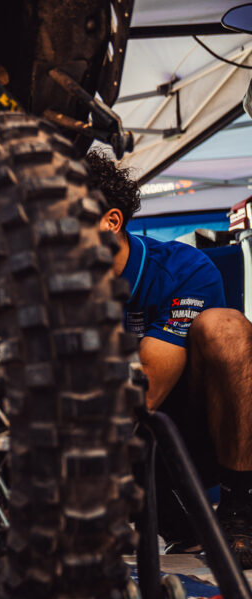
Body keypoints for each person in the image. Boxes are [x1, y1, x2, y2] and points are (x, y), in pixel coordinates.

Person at [87, 150, 252, 567]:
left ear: (111, 220)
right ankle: (180, 527)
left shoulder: (183, 268)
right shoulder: (50, 289)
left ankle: (239, 511)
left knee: (226, 327)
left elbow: (146, 393)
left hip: (196, 430)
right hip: (119, 448)